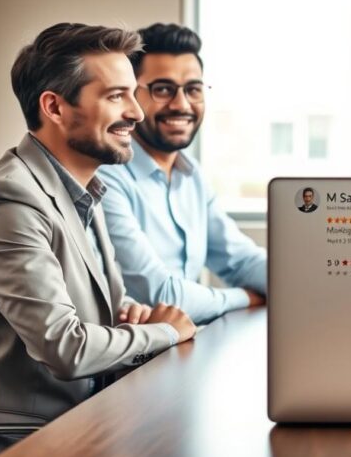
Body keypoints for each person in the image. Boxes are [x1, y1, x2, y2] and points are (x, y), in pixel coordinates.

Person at [0, 23, 197, 457]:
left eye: (134, 94)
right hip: (8, 451)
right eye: (116, 96)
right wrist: (167, 332)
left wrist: (131, 312)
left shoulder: (86, 188)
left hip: (73, 428)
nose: (136, 111)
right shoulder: (9, 199)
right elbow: (65, 347)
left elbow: (84, 301)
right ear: (53, 105)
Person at [98, 23, 266, 325]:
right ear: (131, 96)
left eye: (193, 89)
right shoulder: (107, 178)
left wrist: (303, 282)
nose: (181, 104)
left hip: (187, 346)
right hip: (136, 362)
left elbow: (240, 260)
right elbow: (163, 296)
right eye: (163, 89)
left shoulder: (191, 175)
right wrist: (246, 298)